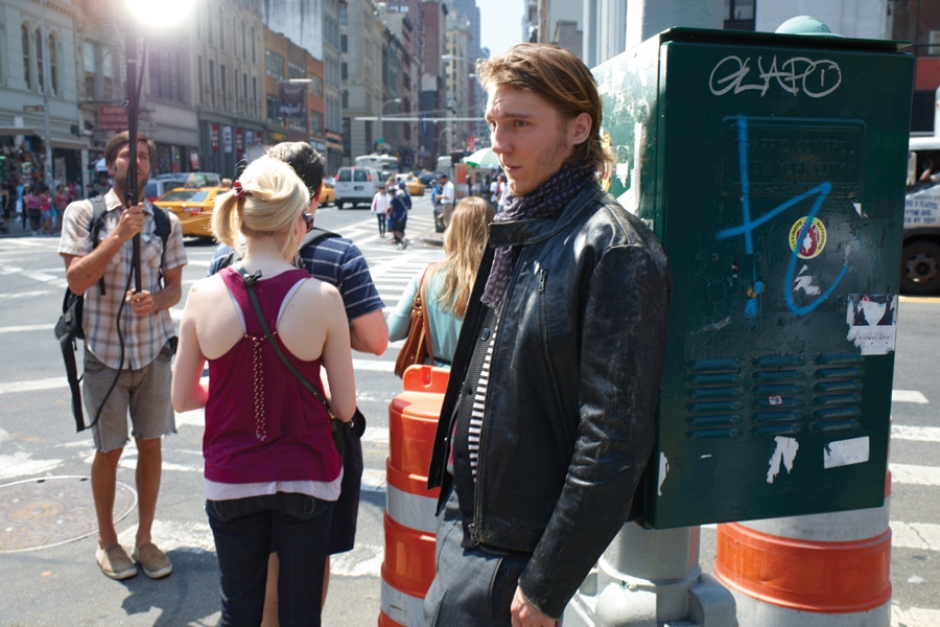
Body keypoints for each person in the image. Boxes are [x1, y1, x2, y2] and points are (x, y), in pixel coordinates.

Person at [424, 44, 671, 627]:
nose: (499, 143)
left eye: (520, 124)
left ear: (578, 128)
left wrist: (546, 583)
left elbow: (613, 439)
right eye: (494, 123)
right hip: (471, 524)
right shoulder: (523, 221)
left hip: (518, 554)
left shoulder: (614, 248)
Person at [206, 142, 387, 622]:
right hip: (310, 442)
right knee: (307, 568)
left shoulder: (221, 265)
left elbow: (206, 375)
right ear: (314, 194)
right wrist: (325, 336)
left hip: (237, 448)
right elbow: (375, 340)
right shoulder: (338, 258)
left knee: (243, 590)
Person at [172, 156, 356, 626]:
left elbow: (183, 398)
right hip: (306, 473)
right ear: (296, 222)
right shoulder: (323, 298)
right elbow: (344, 406)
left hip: (231, 474)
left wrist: (227, 391)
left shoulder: (203, 296)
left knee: (239, 610)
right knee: (300, 612)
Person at [58, 130, 187, 581]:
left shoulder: (166, 222)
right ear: (110, 162)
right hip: (104, 354)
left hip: (152, 353)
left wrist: (156, 300)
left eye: (145, 156)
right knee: (109, 450)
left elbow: (174, 288)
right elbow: (77, 280)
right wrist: (118, 235)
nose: (137, 162)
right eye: (129, 155)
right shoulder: (84, 214)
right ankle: (107, 540)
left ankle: (145, 539)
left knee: (151, 445)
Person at [387, 197, 494, 366]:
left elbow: (393, 331)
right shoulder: (501, 282)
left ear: (452, 231)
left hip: (433, 376)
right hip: (481, 378)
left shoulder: (426, 277)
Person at [387, 182, 409, 250]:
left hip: (396, 216)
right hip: (404, 216)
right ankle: (401, 245)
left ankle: (404, 239)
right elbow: (410, 206)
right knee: (401, 230)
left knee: (395, 230)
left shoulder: (396, 195)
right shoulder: (406, 195)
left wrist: (389, 214)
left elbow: (392, 206)